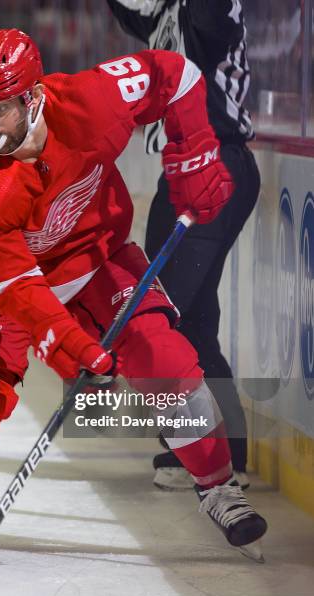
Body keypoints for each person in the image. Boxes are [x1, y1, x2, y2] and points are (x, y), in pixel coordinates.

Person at [0, 28, 267, 561]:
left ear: (32, 98)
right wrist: (67, 341)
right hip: (3, 284)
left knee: (163, 360)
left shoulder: (91, 100)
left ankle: (218, 486)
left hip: (99, 256)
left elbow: (177, 74)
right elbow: (17, 289)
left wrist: (193, 152)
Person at [107, 0, 259, 490]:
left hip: (214, 167)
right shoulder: (165, 10)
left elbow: (211, 26)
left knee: (169, 311)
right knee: (190, 317)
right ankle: (225, 451)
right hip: (181, 171)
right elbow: (133, 13)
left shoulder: (208, 8)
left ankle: (205, 452)